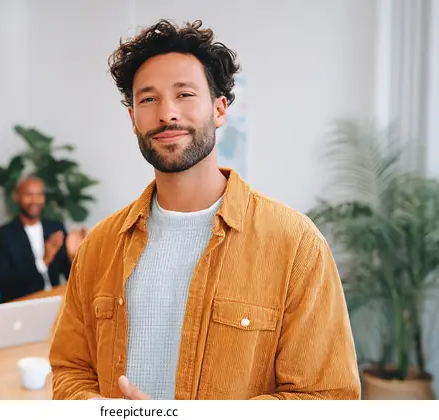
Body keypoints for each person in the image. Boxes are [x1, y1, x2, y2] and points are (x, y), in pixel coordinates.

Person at [49, 19, 360, 400]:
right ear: (133, 119)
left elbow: (327, 396)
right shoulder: (100, 246)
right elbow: (70, 369)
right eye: (148, 99)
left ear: (219, 109)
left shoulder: (296, 245)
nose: (167, 114)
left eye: (184, 94)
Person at [0, 176, 86, 303]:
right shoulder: (1, 235)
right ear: (16, 196)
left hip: (56, 302)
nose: (35, 200)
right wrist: (43, 261)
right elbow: (4, 283)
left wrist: (76, 256)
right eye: (29, 194)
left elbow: (71, 276)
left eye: (39, 194)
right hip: (22, 306)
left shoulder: (55, 228)